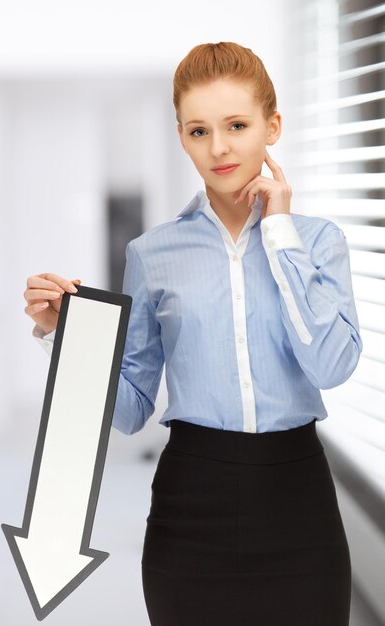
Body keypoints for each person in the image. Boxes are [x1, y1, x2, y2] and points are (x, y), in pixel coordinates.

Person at [23, 41, 362, 626]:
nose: (220, 147)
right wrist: (65, 337)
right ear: (181, 136)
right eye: (199, 130)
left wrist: (280, 231)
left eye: (237, 125)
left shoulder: (319, 241)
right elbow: (131, 409)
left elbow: (331, 366)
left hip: (298, 500)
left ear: (272, 125)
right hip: (192, 502)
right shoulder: (152, 254)